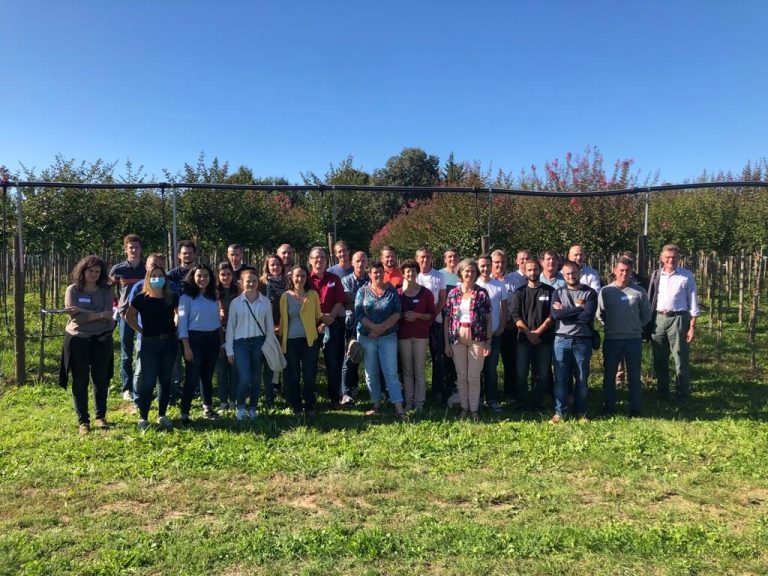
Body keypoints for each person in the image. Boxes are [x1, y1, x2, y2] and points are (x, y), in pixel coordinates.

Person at [61, 255, 115, 434]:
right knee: (80, 379)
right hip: (78, 339)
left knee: (101, 378)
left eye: (97, 271)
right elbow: (76, 318)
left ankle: (101, 416)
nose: (94, 274)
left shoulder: (106, 290)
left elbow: (109, 315)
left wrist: (84, 312)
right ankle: (83, 420)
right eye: (91, 270)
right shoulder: (73, 290)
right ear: (82, 271)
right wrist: (99, 314)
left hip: (102, 339)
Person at [125, 264, 179, 431]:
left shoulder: (171, 297)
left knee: (165, 380)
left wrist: (176, 323)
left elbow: (179, 312)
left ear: (165, 278)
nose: (157, 278)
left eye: (160, 275)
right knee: (148, 381)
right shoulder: (141, 298)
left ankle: (162, 414)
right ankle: (143, 417)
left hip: (169, 342)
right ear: (148, 278)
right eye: (153, 276)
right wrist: (141, 330)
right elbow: (129, 316)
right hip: (149, 343)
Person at [598, 256, 652, 416]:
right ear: (614, 271)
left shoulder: (639, 291)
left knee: (634, 376)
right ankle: (609, 406)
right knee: (609, 375)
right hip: (612, 339)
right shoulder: (606, 291)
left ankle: (635, 408)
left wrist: (636, 326)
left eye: (627, 270)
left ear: (631, 272)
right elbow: (600, 313)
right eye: (621, 270)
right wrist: (610, 326)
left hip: (633, 339)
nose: (624, 273)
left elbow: (646, 314)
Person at [355, 260, 407, 420]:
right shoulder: (362, 291)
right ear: (369, 274)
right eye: (374, 272)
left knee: (391, 372)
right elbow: (358, 313)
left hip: (388, 338)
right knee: (370, 372)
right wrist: (373, 328)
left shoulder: (392, 291)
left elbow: (397, 312)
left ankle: (399, 408)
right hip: (367, 337)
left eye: (380, 272)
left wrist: (381, 328)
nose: (378, 274)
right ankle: (376, 404)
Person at [647, 244, 700, 400]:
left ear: (678, 258)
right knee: (659, 358)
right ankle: (662, 393)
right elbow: (651, 297)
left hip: (678, 319)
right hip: (659, 319)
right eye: (668, 257)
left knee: (680, 358)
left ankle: (682, 394)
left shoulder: (686, 276)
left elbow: (693, 302)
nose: (671, 260)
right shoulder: (656, 275)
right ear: (661, 258)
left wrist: (692, 326)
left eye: (674, 257)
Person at [443, 258, 492, 421]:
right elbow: (447, 319)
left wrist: (488, 341)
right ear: (460, 273)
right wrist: (447, 344)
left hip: (477, 338)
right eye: (466, 271)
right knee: (461, 376)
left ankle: (474, 409)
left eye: (472, 271)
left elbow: (488, 319)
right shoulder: (453, 293)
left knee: (474, 377)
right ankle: (464, 408)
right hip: (457, 338)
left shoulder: (482, 293)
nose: (469, 274)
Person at [550, 261, 597, 422]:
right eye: (567, 274)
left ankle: (581, 412)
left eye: (574, 273)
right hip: (561, 340)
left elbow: (587, 317)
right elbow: (556, 315)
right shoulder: (558, 292)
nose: (571, 276)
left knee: (582, 379)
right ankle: (560, 412)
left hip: (582, 340)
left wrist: (565, 311)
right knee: (560, 379)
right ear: (563, 275)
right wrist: (578, 309)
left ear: (579, 273)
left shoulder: (590, 293)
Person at [226, 268, 273, 420]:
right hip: (240, 344)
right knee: (245, 377)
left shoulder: (265, 302)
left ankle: (253, 407)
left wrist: (268, 347)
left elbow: (269, 328)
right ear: (241, 283)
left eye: (254, 281)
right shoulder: (236, 303)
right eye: (248, 281)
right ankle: (240, 407)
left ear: (258, 282)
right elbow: (230, 328)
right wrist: (229, 351)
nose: (251, 284)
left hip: (259, 343)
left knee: (256, 378)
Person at [178, 263, 222, 424]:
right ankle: (184, 413)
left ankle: (207, 409)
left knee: (207, 377)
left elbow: (217, 320)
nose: (202, 279)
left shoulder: (213, 296)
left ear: (210, 278)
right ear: (193, 277)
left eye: (206, 276)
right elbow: (182, 324)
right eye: (199, 276)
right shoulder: (186, 298)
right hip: (194, 340)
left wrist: (220, 342)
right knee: (191, 378)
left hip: (213, 339)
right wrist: (186, 347)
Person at [511, 258, 555, 410]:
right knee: (521, 374)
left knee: (542, 374)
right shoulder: (519, 292)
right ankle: (522, 403)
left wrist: (538, 332)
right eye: (529, 270)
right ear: (525, 271)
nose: (532, 272)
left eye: (535, 269)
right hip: (523, 340)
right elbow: (516, 316)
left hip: (544, 339)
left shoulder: (550, 291)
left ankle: (538, 402)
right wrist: (529, 333)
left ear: (540, 270)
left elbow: (552, 315)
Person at [279, 265, 323, 415]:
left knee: (309, 375)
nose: (300, 279)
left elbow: (317, 316)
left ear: (307, 277)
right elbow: (283, 319)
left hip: (309, 341)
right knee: (294, 375)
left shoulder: (313, 294)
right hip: (291, 341)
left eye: (303, 276)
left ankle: (310, 405)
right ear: (291, 278)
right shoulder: (285, 296)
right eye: (297, 276)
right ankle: (296, 406)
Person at [308, 246, 346, 407]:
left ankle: (334, 398)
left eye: (322, 257)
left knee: (333, 363)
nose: (319, 260)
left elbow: (339, 301)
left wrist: (328, 319)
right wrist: (320, 318)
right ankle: (310, 399)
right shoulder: (305, 279)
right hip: (310, 327)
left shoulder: (334, 279)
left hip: (332, 324)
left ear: (327, 260)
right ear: (310, 260)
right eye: (316, 257)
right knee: (310, 364)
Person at [109, 234, 145, 401]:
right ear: (125, 250)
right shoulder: (118, 270)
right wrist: (115, 305)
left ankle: (142, 385)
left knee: (142, 351)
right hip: (125, 315)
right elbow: (107, 288)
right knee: (126, 352)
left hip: (143, 316)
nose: (134, 250)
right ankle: (127, 388)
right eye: (131, 247)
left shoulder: (146, 269)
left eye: (136, 247)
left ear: (141, 249)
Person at [398, 259, 436, 412]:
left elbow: (431, 315)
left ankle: (420, 402)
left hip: (421, 336)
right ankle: (409, 401)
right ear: (403, 274)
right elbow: (393, 314)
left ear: (417, 273)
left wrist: (418, 316)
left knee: (419, 370)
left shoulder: (426, 293)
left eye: (413, 271)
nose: (410, 273)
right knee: (407, 370)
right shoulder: (398, 293)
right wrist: (403, 315)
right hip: (404, 336)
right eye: (407, 271)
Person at [476, 254, 507, 413]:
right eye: (482, 265)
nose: (485, 268)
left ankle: (492, 400)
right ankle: (478, 399)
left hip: (494, 335)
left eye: (488, 265)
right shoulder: (473, 284)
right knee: (476, 370)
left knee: (491, 369)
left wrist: (501, 327)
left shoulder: (499, 286)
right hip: (475, 336)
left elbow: (504, 309)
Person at [416, 246, 447, 404]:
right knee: (417, 358)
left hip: (436, 322)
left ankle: (438, 391)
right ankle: (418, 391)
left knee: (437, 357)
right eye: (422, 257)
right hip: (417, 323)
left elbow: (442, 299)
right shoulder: (414, 276)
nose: (425, 260)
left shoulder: (439, 276)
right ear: (417, 259)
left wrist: (432, 315)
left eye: (428, 257)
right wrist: (421, 318)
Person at [340, 251, 370, 405]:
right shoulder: (346, 280)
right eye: (357, 261)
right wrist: (365, 299)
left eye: (363, 261)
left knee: (365, 357)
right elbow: (345, 299)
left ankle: (355, 387)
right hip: (350, 325)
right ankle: (345, 392)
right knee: (348, 358)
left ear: (367, 263)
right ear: (352, 262)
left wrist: (355, 299)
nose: (360, 264)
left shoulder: (371, 279)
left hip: (367, 325)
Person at [215, 262, 239, 411]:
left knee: (234, 369)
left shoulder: (239, 291)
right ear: (218, 276)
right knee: (221, 370)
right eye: (222, 274)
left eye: (229, 274)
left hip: (236, 333)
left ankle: (233, 400)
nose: (226, 277)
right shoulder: (214, 292)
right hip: (219, 334)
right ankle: (223, 400)